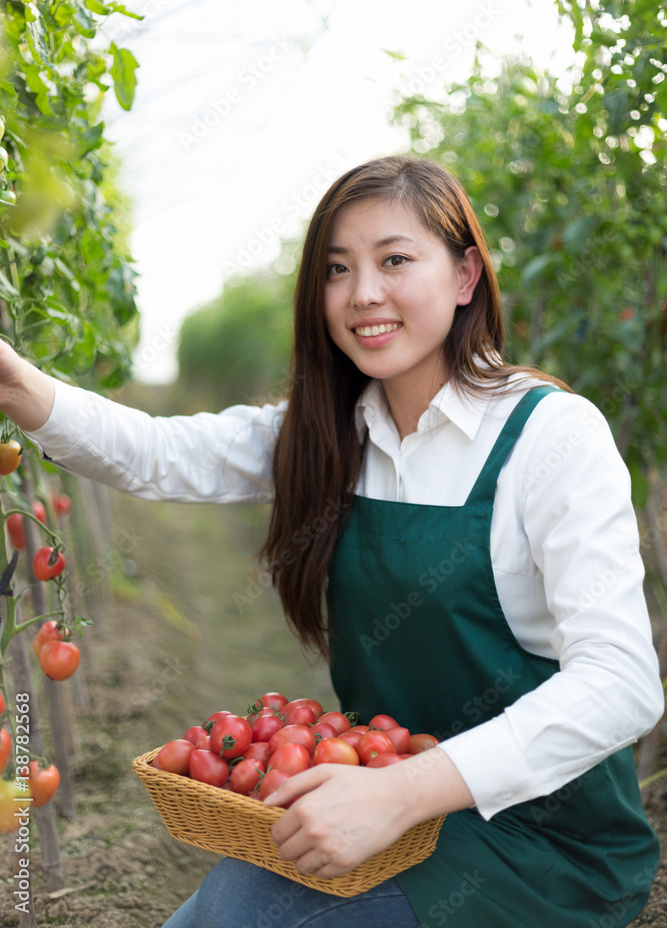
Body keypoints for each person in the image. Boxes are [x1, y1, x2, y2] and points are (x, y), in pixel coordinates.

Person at [0, 155, 662, 928]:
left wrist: (405, 791)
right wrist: (22, 388)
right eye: (337, 269)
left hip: (544, 841)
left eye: (395, 260)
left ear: (464, 276)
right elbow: (156, 453)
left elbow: (621, 683)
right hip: (376, 803)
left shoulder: (548, 438)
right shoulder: (332, 433)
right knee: (227, 910)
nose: (362, 294)